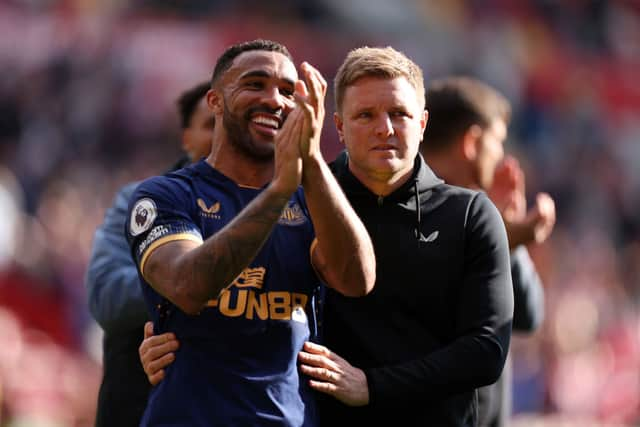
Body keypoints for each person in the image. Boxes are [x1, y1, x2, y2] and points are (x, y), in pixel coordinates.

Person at [139, 46, 513, 426]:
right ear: (338, 127)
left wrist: (373, 385)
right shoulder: (303, 194)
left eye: (399, 114)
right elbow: (187, 280)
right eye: (366, 115)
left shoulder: (467, 213)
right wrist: (157, 330)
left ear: (422, 123)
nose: (384, 128)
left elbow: (487, 346)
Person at [126, 39, 375, 426]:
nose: (275, 100)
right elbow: (188, 285)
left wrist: (309, 161)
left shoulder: (312, 199)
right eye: (255, 84)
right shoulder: (166, 195)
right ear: (215, 101)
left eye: (288, 92)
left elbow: (357, 279)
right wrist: (278, 191)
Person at [420, 76, 556, 427]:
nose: (501, 157)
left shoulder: (480, 215)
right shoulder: (413, 214)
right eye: (497, 142)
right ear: (472, 142)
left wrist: (508, 241)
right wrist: (501, 241)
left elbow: (527, 316)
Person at [85, 80, 213, 427]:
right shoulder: (137, 201)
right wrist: (200, 282)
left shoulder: (284, 209)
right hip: (138, 410)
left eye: (232, 123)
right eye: (210, 124)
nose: (223, 136)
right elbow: (106, 297)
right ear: (186, 138)